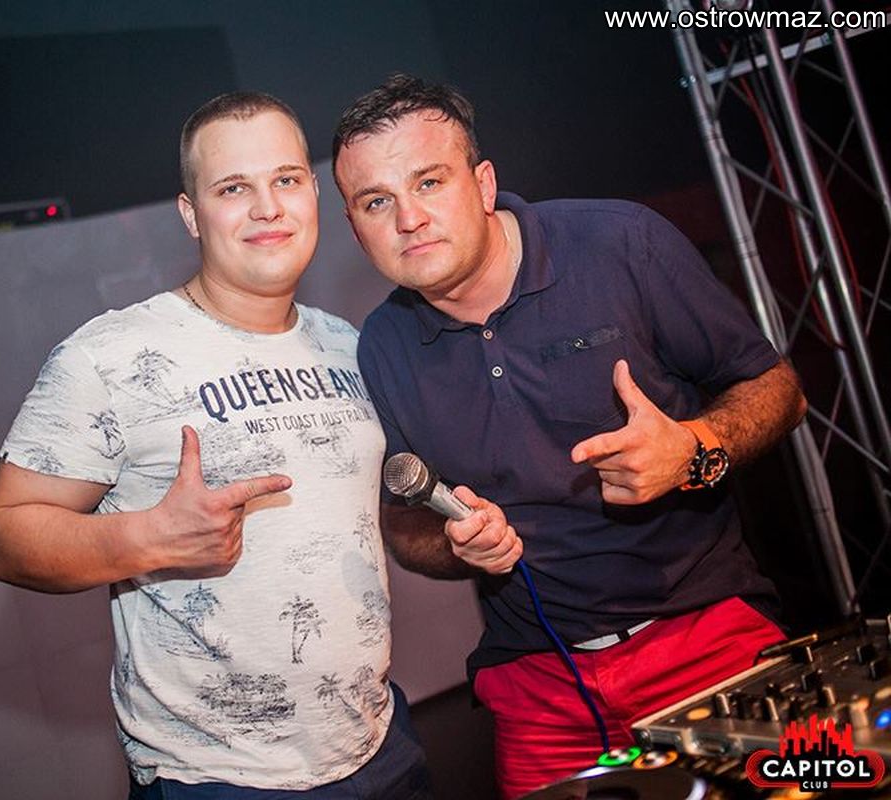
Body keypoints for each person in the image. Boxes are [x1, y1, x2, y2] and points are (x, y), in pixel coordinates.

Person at [331, 74, 807, 799]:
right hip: (537, 683)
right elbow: (404, 526)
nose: (409, 218)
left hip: (705, 639)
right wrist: (458, 542)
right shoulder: (383, 346)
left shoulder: (620, 243)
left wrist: (693, 448)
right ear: (354, 226)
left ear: (483, 184)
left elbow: (780, 390)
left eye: (429, 181)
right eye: (376, 201)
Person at [0, 92, 432, 799]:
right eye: (233, 188)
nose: (268, 208)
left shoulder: (349, 347)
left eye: (285, 180)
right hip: (216, 778)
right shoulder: (108, 357)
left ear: (313, 193)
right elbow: (0, 538)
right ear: (191, 214)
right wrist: (147, 539)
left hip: (377, 744)